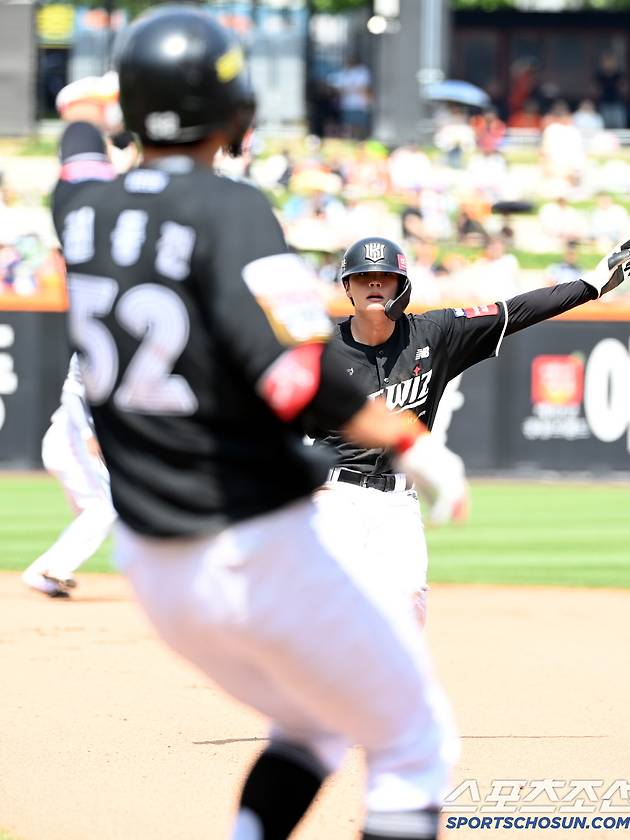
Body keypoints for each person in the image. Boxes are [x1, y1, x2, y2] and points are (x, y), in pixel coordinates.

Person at [51, 7, 463, 840]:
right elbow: (297, 373)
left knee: (312, 724)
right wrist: (415, 445)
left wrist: (116, 92)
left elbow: (75, 120)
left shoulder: (80, 207)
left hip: (153, 559)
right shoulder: (230, 205)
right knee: (417, 741)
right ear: (236, 120)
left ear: (135, 110)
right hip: (249, 541)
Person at [309, 234, 630, 625]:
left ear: (401, 285)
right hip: (336, 494)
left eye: (384, 276)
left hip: (399, 500)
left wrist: (590, 286)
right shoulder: (321, 350)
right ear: (346, 286)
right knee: (331, 600)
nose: (374, 284)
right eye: (363, 277)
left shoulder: (435, 333)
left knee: (410, 600)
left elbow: (514, 311)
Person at [21, 354, 117, 598]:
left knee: (93, 515)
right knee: (104, 509)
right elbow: (71, 394)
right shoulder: (94, 343)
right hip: (71, 439)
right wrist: (88, 435)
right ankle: (56, 568)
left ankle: (41, 574)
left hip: (74, 443)